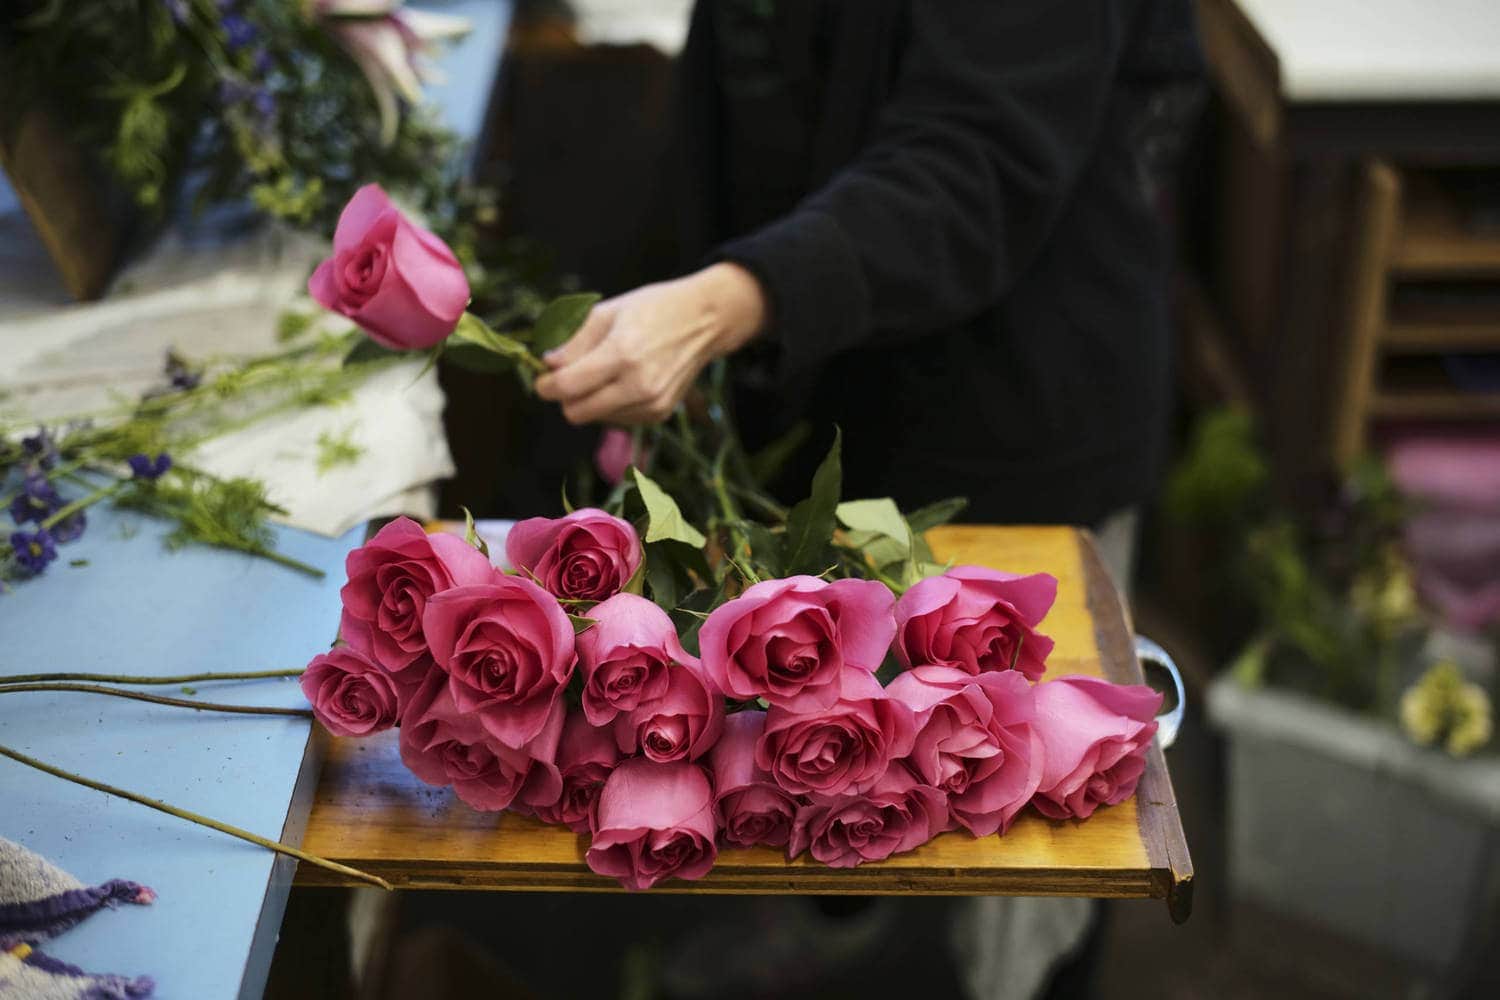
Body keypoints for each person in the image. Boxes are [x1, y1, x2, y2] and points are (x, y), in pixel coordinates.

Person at [534, 1, 1202, 995]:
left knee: (1019, 830)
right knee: (841, 738)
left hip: (1017, 411)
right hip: (833, 373)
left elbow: (977, 160)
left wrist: (722, 303)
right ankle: (838, 935)